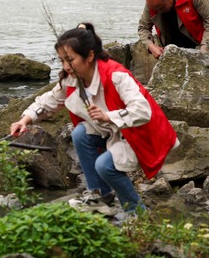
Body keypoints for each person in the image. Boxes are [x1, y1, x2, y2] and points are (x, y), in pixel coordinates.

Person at [9, 23, 178, 213]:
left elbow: (142, 111)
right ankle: (100, 199)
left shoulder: (116, 75)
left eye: (70, 60)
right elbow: (49, 101)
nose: (66, 66)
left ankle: (138, 213)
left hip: (141, 132)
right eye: (62, 60)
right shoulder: (72, 78)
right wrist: (25, 119)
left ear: (89, 56)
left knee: (105, 165)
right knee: (80, 132)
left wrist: (108, 116)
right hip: (114, 131)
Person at [138, 0, 209, 58]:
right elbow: (143, 27)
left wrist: (204, 49)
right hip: (175, 42)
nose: (158, 11)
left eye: (161, 7)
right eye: (155, 9)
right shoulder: (153, 3)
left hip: (208, 39)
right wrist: (151, 46)